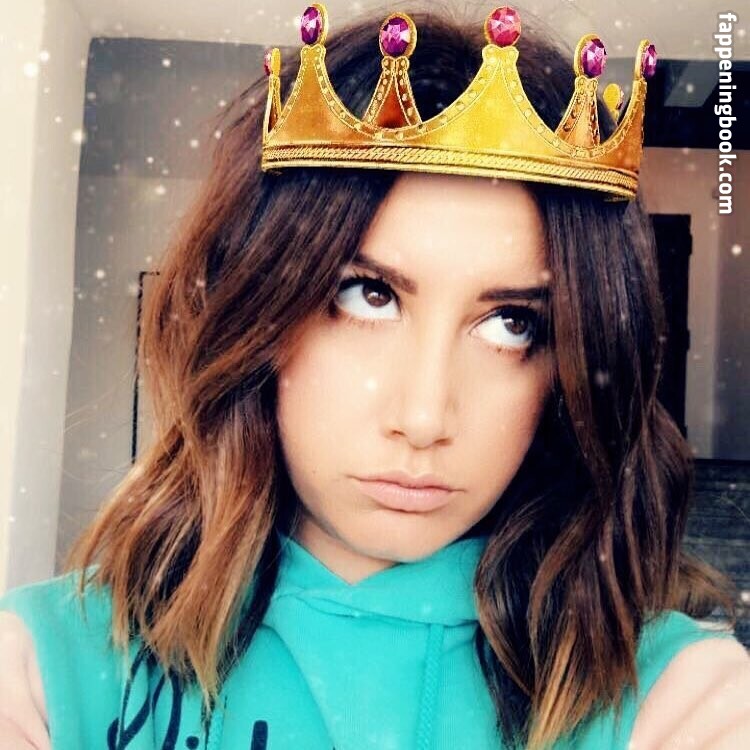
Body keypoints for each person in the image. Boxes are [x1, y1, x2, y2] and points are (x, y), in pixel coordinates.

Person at [1, 4, 749, 749]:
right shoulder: (48, 671)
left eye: (512, 323)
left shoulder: (676, 700)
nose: (424, 418)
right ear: (259, 314)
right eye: (368, 295)